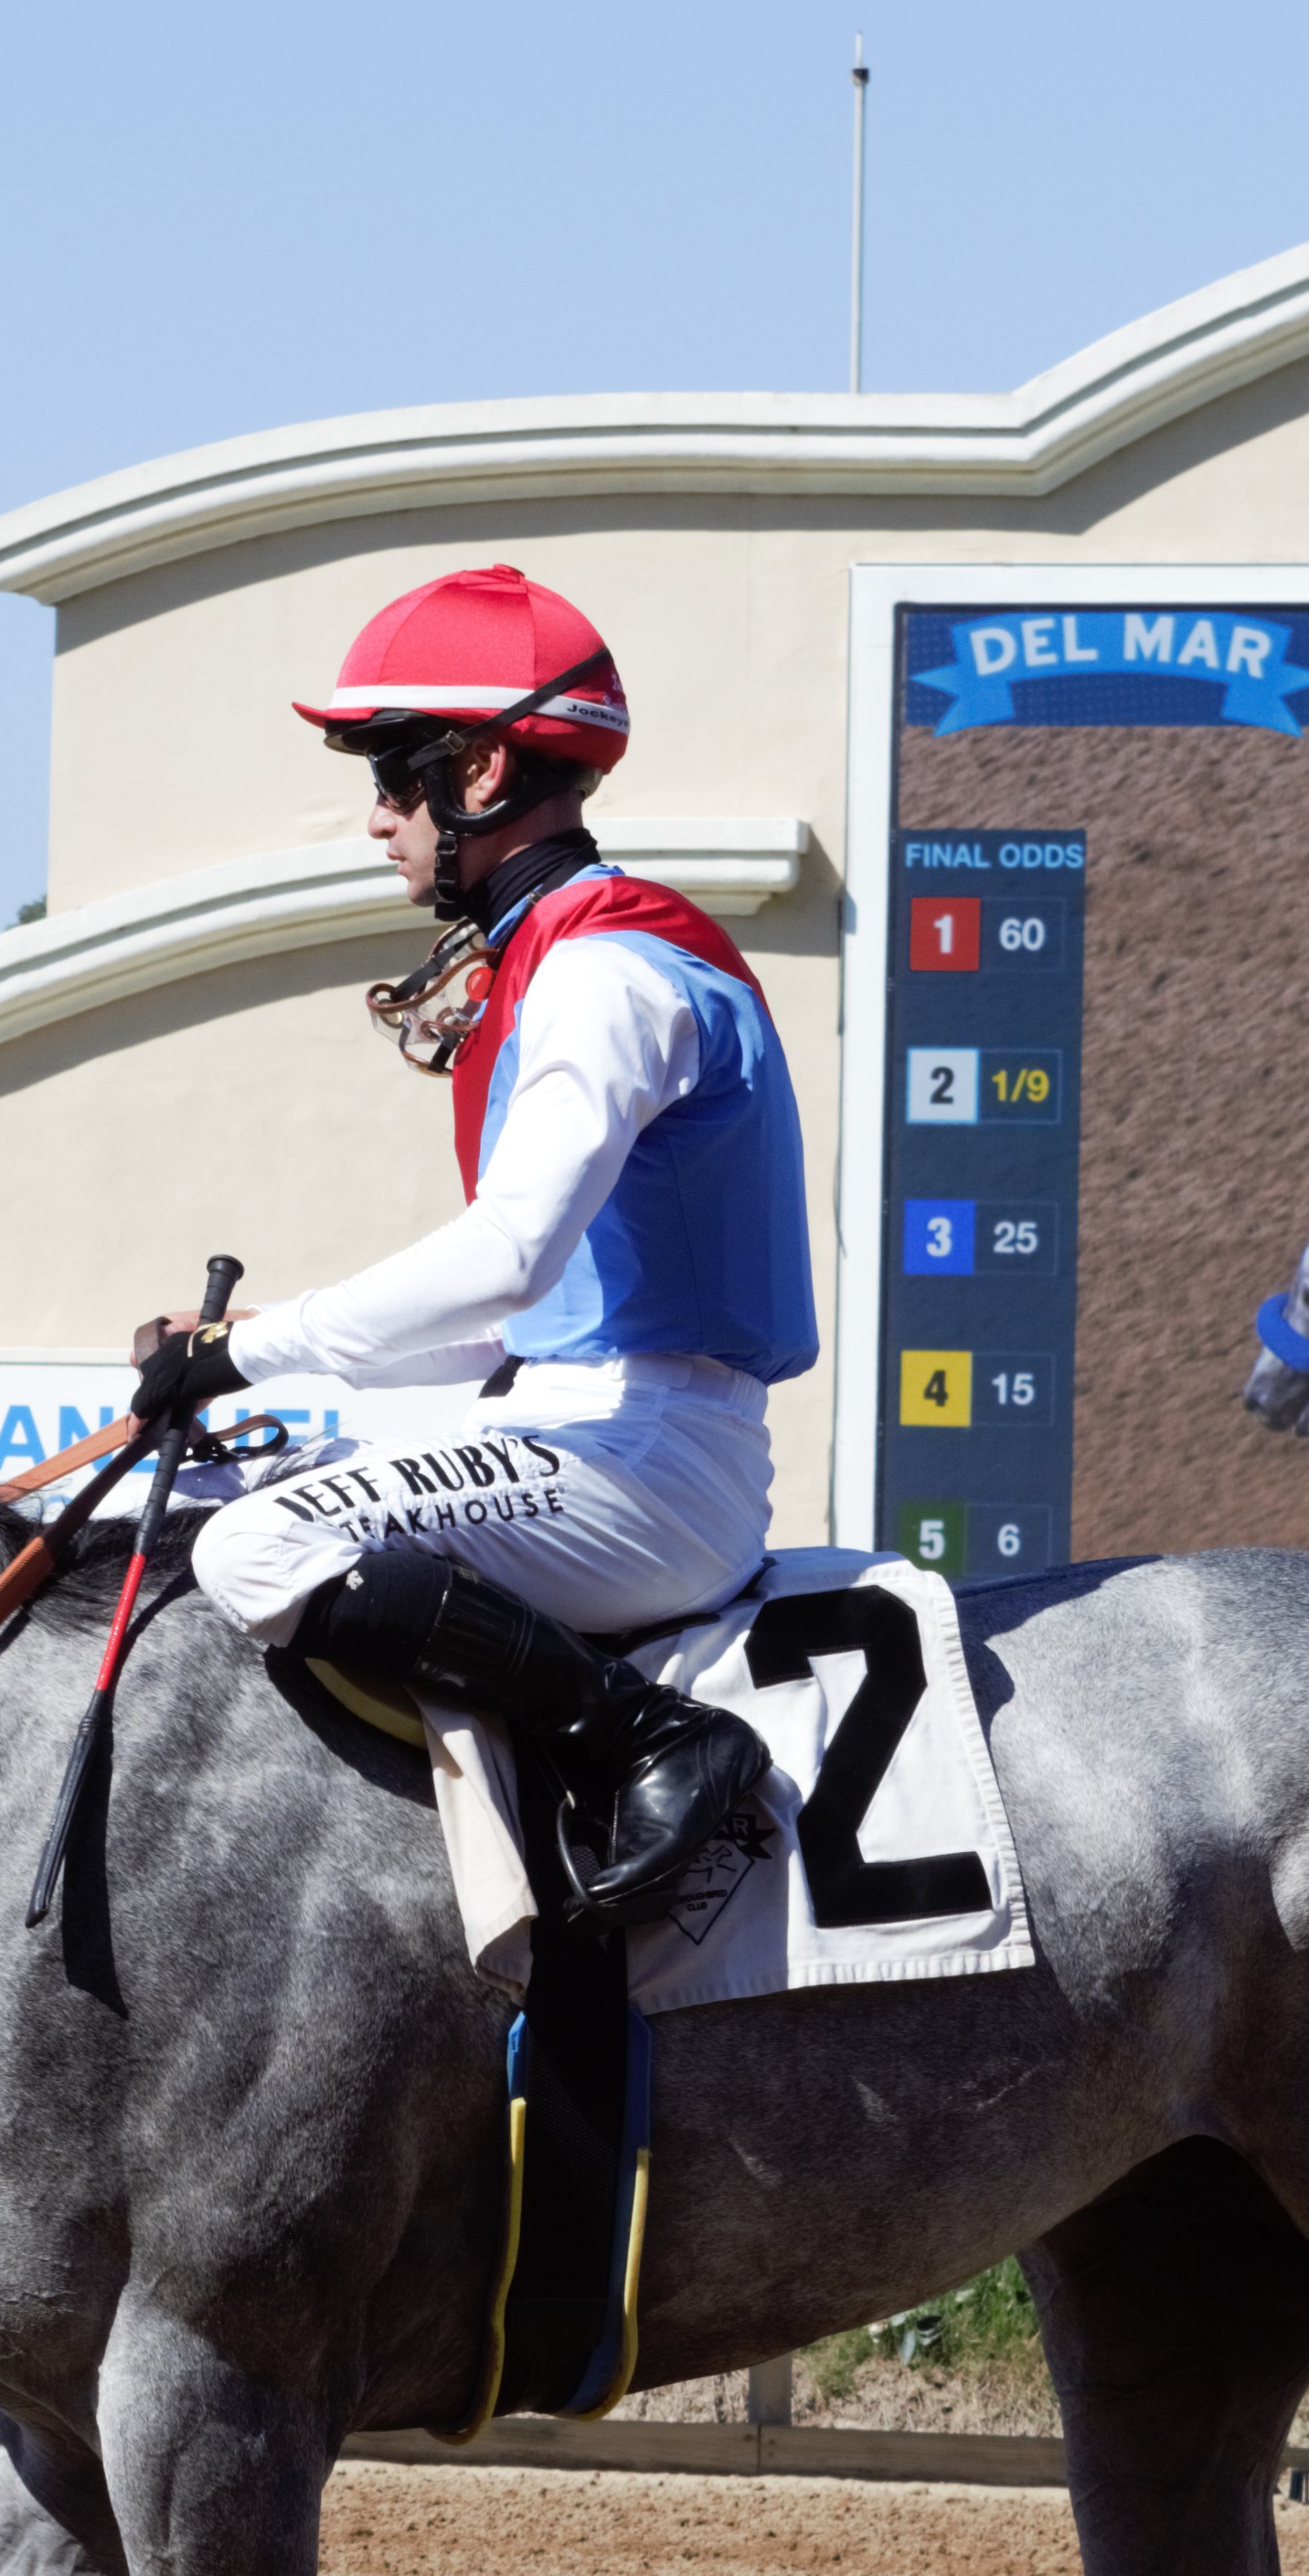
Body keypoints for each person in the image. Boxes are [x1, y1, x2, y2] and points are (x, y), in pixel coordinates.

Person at [130, 565, 813, 1929]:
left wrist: (249, 1353)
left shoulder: (607, 973)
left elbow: (505, 1260)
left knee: (256, 1552)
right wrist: (246, 1378)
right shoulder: (557, 956)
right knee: (205, 1514)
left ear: (486, 770)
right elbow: (507, 1328)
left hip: (655, 1463)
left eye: (396, 775)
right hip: (589, 1425)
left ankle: (648, 1741)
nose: (377, 816)